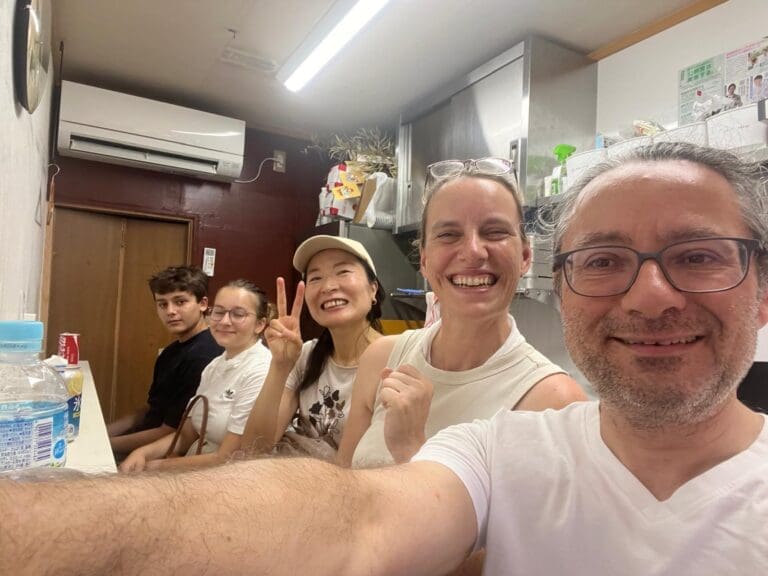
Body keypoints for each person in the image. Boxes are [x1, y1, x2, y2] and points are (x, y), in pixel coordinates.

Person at [3, 142, 768, 575]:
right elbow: (349, 512)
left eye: (698, 256)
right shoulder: (502, 447)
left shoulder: (546, 399)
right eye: (604, 261)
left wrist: (406, 450)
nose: (649, 296)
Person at [336, 157, 585, 468]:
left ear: (524, 256)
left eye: (494, 232)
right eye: (449, 235)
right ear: (424, 261)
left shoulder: (555, 402)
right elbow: (342, 494)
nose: (473, 251)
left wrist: (413, 451)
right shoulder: (382, 360)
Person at [239, 236, 385, 458]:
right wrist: (280, 366)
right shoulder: (306, 355)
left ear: (373, 289)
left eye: (343, 272)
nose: (328, 286)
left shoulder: (395, 359)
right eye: (315, 278)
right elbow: (254, 449)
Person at [119, 280, 273, 471]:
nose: (225, 321)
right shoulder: (214, 365)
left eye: (238, 314)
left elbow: (228, 457)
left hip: (226, 476)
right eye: (218, 312)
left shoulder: (261, 369)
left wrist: (154, 466)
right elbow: (185, 435)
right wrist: (142, 453)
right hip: (195, 464)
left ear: (259, 324)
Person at [108, 265, 222, 458]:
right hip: (144, 438)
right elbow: (154, 408)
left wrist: (105, 445)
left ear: (202, 304)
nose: (170, 311)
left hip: (163, 453)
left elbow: (172, 432)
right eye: (162, 304)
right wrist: (103, 433)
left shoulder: (204, 355)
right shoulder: (171, 352)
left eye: (180, 302)